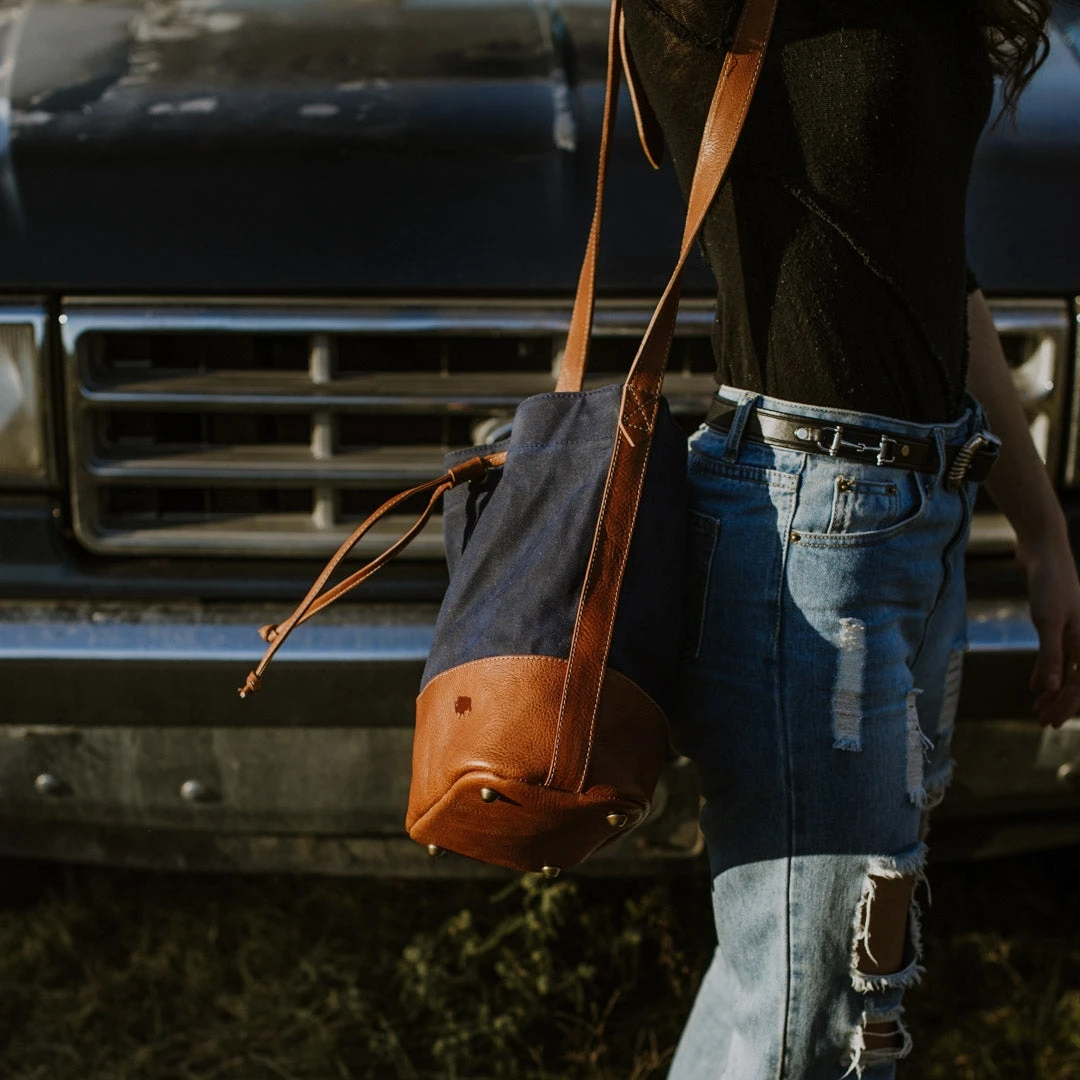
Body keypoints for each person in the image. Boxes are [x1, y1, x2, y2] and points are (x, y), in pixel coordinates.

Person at [616, 0, 1080, 1076]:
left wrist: (1044, 529)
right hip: (808, 527)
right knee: (812, 1003)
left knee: (818, 981)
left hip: (924, 515)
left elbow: (937, 281)